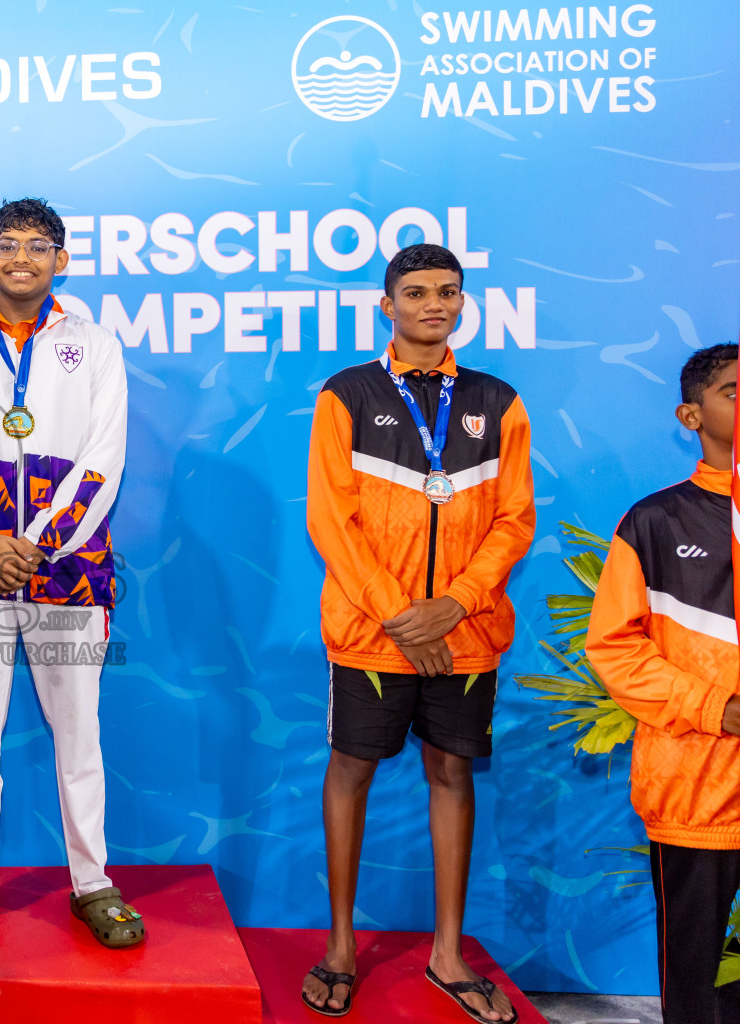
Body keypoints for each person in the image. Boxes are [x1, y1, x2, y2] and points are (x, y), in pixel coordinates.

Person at [303, 243, 534, 1021]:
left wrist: (458, 602)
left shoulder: (498, 401)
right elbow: (332, 521)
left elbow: (513, 520)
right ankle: (339, 946)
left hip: (464, 637)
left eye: (448, 292)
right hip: (374, 634)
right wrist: (403, 616)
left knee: (451, 776)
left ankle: (446, 952)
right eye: (415, 292)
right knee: (352, 773)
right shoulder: (347, 394)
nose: (433, 303)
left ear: (462, 304)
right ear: (387, 306)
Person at [0, 197, 138, 949]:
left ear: (61, 260)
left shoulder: (96, 344)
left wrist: (37, 544)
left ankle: (93, 883)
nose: (22, 257)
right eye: (7, 243)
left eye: (38, 246)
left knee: (80, 735)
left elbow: (105, 459)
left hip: (68, 571)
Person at [587, 344, 737, 1024]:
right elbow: (614, 649)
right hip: (698, 794)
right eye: (734, 390)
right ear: (691, 415)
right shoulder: (653, 523)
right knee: (703, 993)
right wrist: (716, 708)